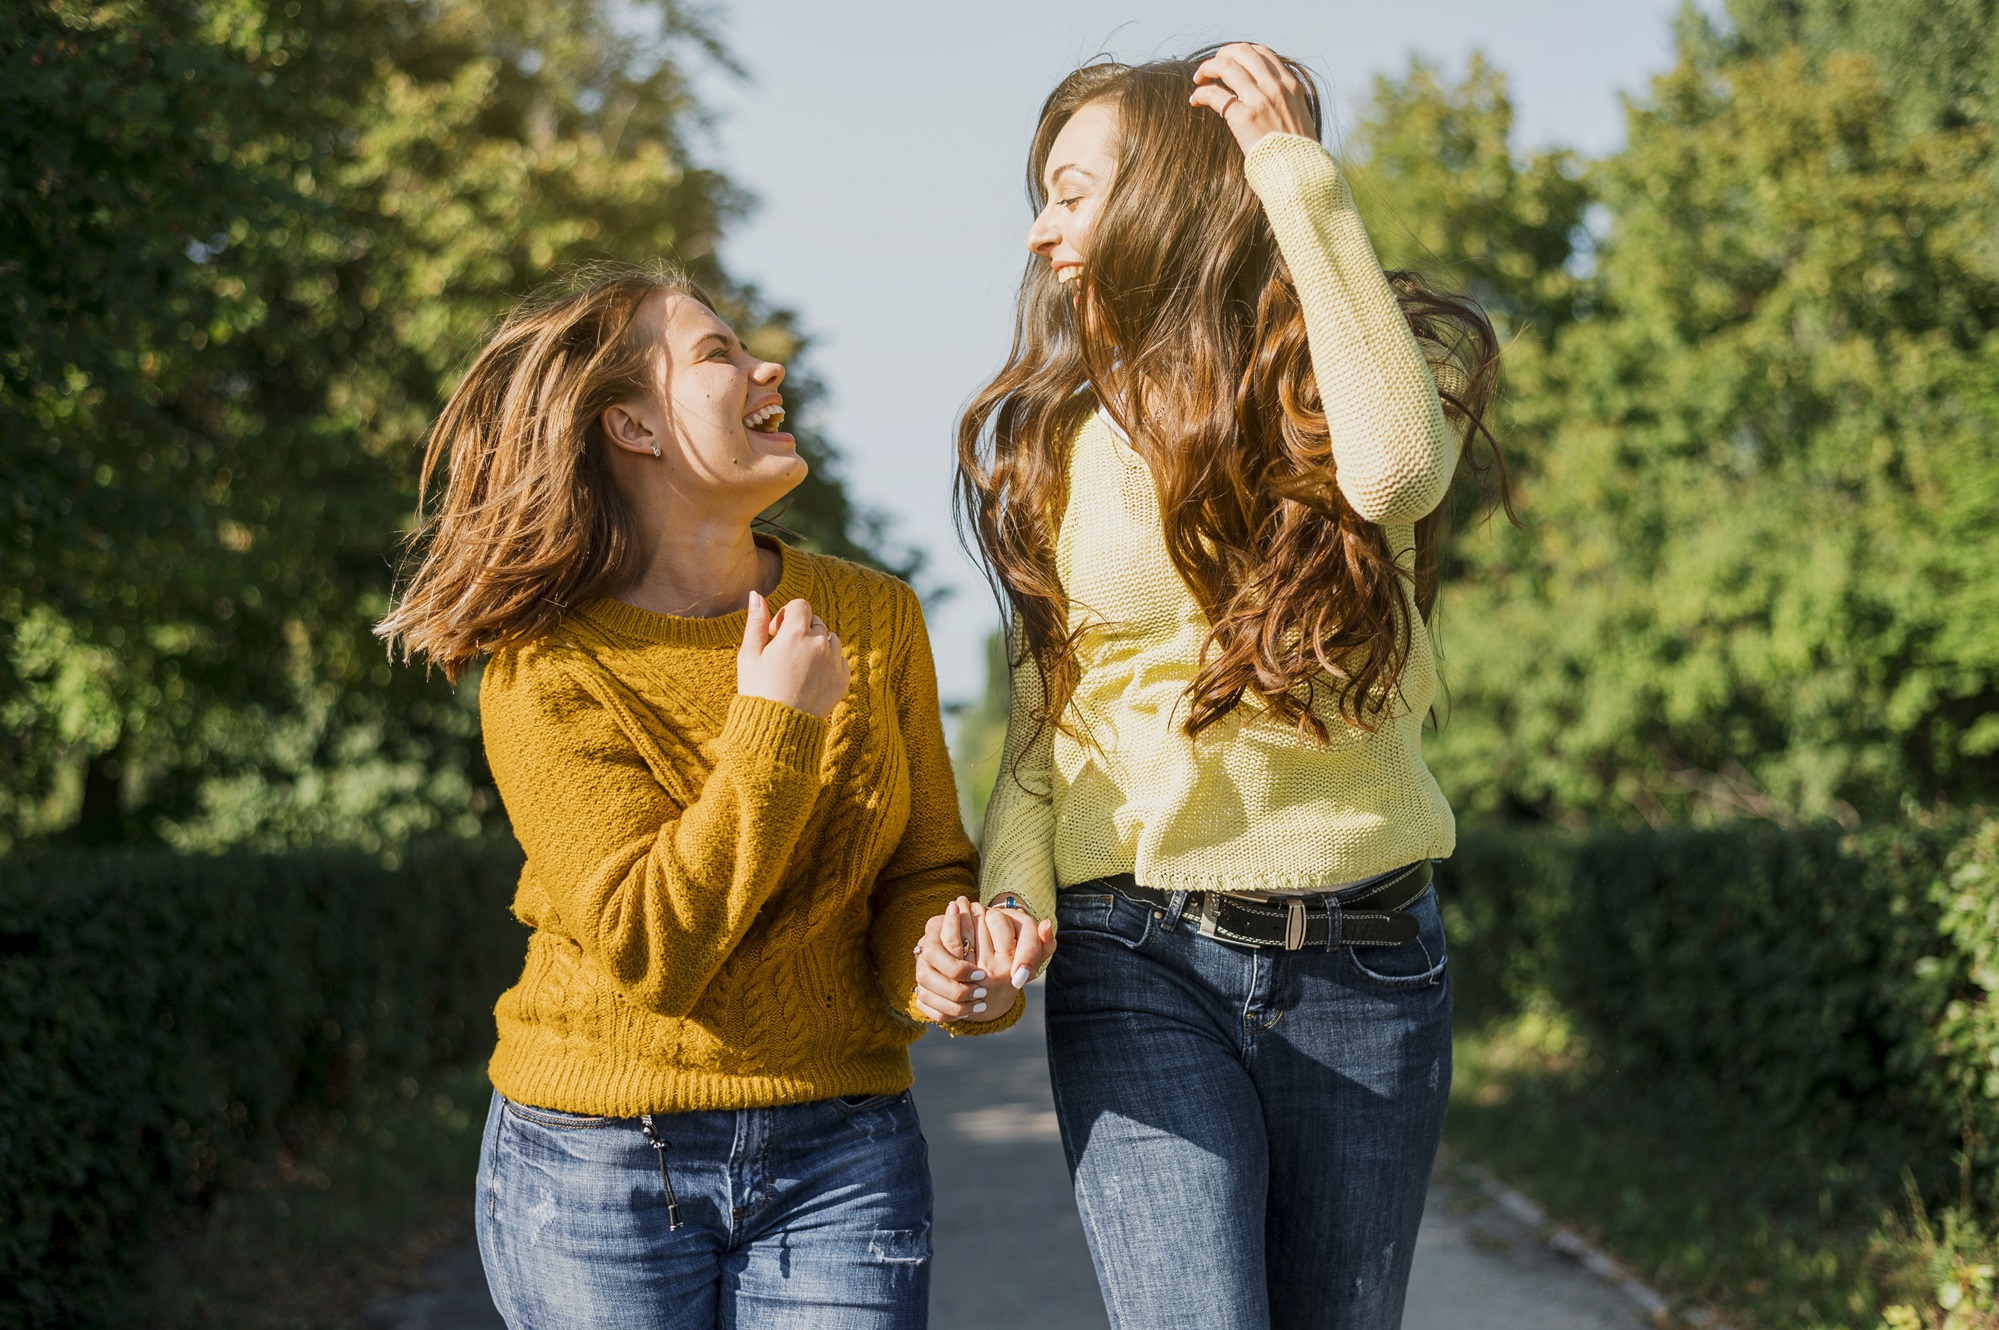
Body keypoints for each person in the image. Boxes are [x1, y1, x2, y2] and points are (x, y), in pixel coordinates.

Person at [376, 267, 1052, 1330]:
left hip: (843, 1148)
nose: (763, 366)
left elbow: (922, 869)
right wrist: (774, 723)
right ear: (632, 425)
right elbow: (654, 947)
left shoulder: (873, 617)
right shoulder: (545, 665)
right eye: (717, 353)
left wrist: (949, 970)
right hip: (600, 1158)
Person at [956, 44, 1506, 1330]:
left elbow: (1397, 480)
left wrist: (1294, 177)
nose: (1040, 231)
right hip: (1138, 952)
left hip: (1369, 967)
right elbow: (1045, 729)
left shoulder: (1333, 386)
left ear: (1168, 193)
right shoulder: (1055, 442)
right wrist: (1004, 909)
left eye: (1072, 190)